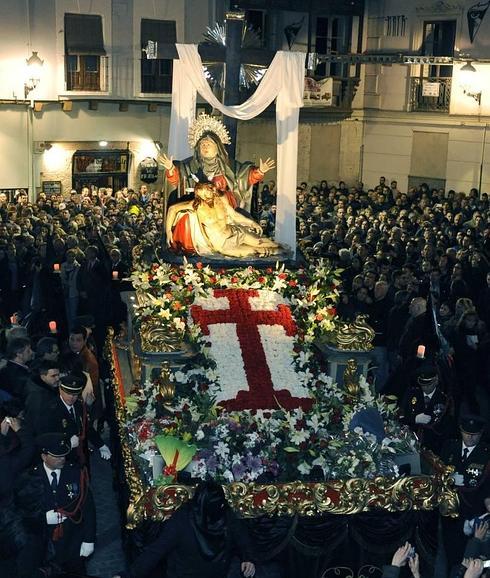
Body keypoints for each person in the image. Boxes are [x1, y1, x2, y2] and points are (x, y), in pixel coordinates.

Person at [112, 481, 255, 578]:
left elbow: (156, 550)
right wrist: (247, 557)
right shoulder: (226, 515)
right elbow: (242, 537)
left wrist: (128, 574)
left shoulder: (183, 520)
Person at [15, 432, 96, 576]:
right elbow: (21, 514)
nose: (62, 459)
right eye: (57, 457)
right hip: (44, 546)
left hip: (72, 541)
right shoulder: (30, 478)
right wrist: (43, 518)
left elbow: (88, 507)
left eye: (63, 455)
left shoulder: (75, 473)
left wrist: (89, 539)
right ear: (44, 457)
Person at [161, 113, 274, 211]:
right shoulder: (190, 166)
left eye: (209, 144)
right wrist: (171, 169)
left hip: (224, 207)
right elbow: (178, 180)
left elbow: (245, 177)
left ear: (218, 147)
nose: (205, 147)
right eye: (202, 145)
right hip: (197, 207)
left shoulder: (230, 166)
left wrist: (260, 171)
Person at [166, 182, 288, 259]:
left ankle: (287, 254)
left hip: (235, 232)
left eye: (211, 189)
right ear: (199, 192)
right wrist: (168, 232)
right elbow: (172, 209)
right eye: (206, 190)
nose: (211, 192)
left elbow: (234, 215)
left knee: (266, 243)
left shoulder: (220, 200)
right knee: (258, 251)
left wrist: (251, 223)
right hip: (222, 244)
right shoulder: (195, 206)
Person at [29, 372, 110, 467]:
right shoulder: (50, 411)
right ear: (60, 390)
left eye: (75, 394)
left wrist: (101, 445)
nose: (71, 397)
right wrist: (68, 444)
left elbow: (86, 428)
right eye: (68, 393)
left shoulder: (78, 405)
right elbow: (44, 437)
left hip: (80, 456)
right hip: (62, 459)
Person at [401, 364, 451, 454]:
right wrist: (414, 419)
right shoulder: (412, 393)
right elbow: (401, 415)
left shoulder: (444, 399)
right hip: (409, 440)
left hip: (432, 444)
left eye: (429, 384)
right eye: (423, 384)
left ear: (436, 381)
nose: (425, 387)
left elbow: (446, 426)